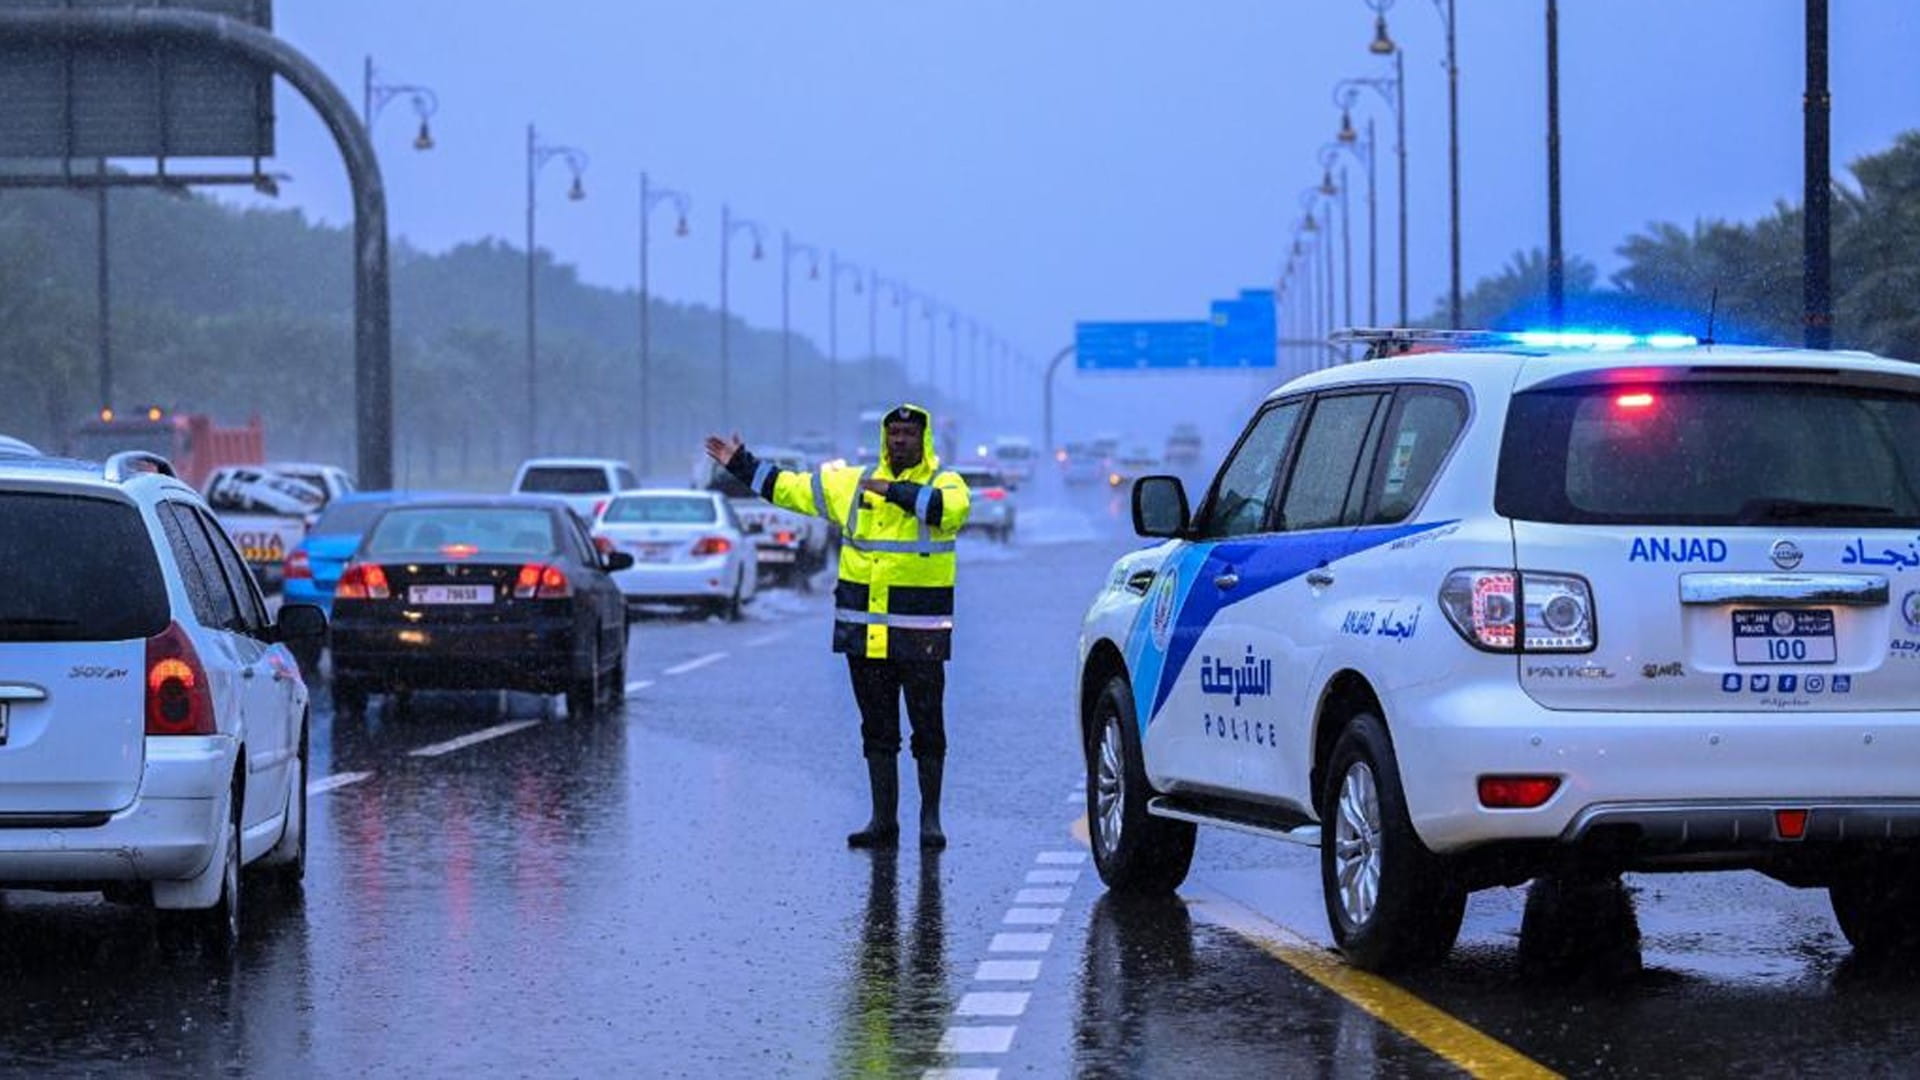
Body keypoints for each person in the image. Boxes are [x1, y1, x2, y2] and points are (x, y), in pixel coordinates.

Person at [705, 405, 970, 849]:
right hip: (863, 634)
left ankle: (930, 818)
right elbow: (791, 489)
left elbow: (950, 511)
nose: (900, 440)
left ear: (923, 440)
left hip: (920, 635)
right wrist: (741, 464)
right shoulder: (853, 482)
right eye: (894, 433)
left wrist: (894, 491)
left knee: (928, 730)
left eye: (908, 434)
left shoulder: (945, 482)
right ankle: (883, 820)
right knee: (877, 731)